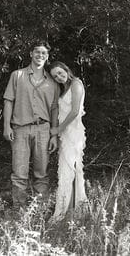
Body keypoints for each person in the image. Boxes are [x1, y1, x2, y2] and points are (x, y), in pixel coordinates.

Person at [3, 41, 60, 208]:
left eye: (43, 53)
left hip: (43, 130)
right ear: (31, 54)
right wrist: (6, 126)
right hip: (20, 129)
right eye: (37, 52)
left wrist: (54, 135)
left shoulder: (53, 82)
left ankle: (39, 210)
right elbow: (8, 101)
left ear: (47, 57)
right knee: (19, 173)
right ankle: (19, 211)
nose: (40, 55)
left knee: (41, 174)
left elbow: (55, 110)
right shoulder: (17, 75)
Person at [48, 60, 87, 221]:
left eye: (60, 72)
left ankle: (66, 213)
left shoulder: (76, 84)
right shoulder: (64, 89)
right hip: (66, 135)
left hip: (74, 134)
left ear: (66, 69)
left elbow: (75, 111)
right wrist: (57, 134)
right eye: (55, 76)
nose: (59, 76)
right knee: (66, 171)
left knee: (69, 169)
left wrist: (58, 129)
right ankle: (70, 211)